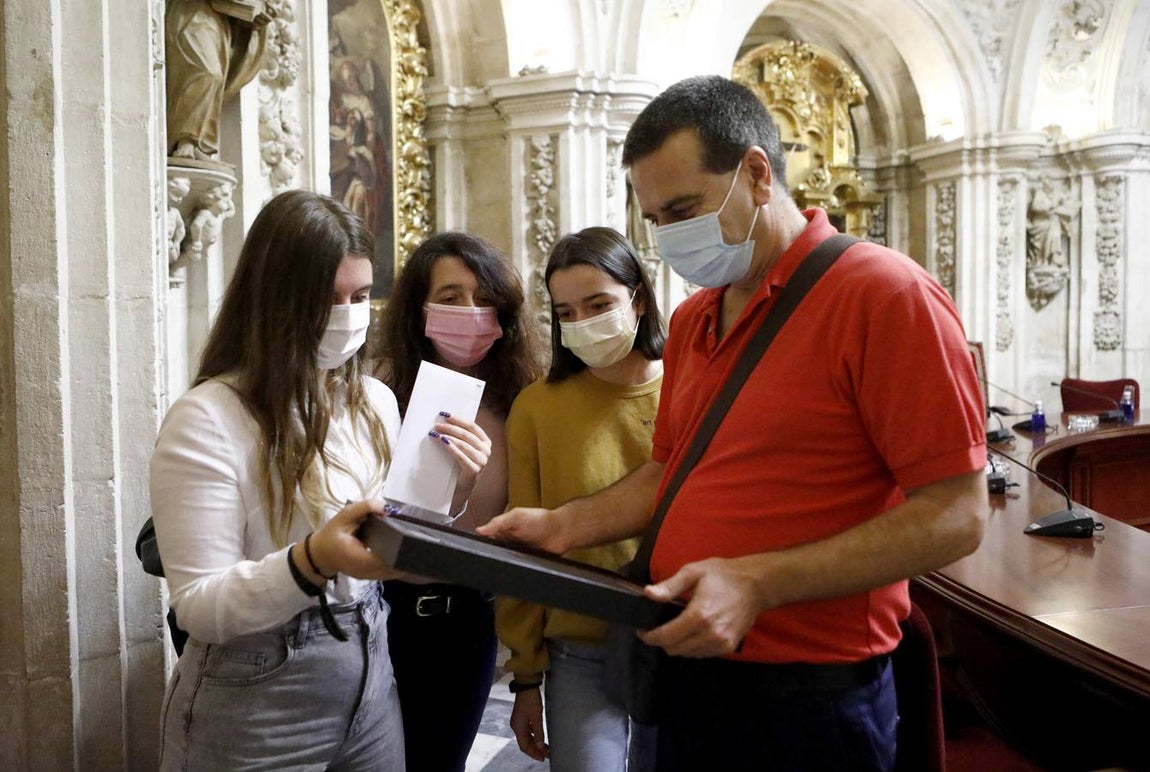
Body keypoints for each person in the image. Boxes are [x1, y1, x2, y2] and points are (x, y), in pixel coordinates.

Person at [479, 74, 988, 771]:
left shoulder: (883, 294)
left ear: (755, 173)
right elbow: (670, 473)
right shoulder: (694, 318)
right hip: (683, 673)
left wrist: (758, 581)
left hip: (807, 694)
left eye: (684, 207)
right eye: (655, 219)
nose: (668, 237)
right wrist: (563, 527)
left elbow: (956, 514)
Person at [151, 191, 491, 769]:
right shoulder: (207, 416)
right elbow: (197, 605)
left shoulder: (373, 400)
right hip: (258, 685)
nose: (349, 314)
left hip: (370, 661)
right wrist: (310, 560)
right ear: (275, 300)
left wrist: (452, 487)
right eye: (327, 298)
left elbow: (393, 532)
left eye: (360, 296)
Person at [497, 227, 666, 771]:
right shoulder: (537, 408)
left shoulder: (690, 386)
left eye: (599, 305)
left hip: (683, 641)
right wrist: (525, 674)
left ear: (637, 298)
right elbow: (523, 548)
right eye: (566, 313)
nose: (583, 324)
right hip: (580, 649)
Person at [377, 231, 542, 772]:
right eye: (450, 297)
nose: (471, 313)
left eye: (485, 298)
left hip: (467, 622)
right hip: (380, 613)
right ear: (418, 306)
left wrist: (527, 670)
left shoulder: (521, 396)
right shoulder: (377, 391)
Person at [165, 0, 273, 160]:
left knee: (216, 77)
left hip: (217, 21)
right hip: (191, 12)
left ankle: (196, 141)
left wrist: (254, 13)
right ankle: (183, 139)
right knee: (208, 72)